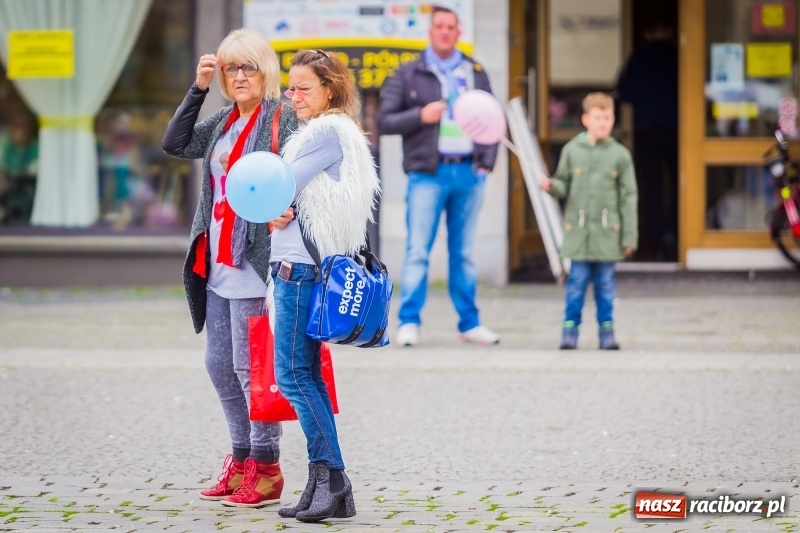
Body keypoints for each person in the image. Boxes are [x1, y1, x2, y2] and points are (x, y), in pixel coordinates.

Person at [161, 28, 299, 508]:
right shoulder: (223, 120)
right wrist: (197, 89)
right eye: (229, 69)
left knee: (251, 368)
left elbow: (305, 177)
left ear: (265, 71)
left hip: (256, 259)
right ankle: (241, 459)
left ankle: (267, 468)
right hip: (217, 256)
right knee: (219, 365)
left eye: (248, 67)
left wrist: (292, 209)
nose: (239, 77)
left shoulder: (282, 117)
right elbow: (176, 143)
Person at [270, 49, 379, 523]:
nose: (292, 96)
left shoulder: (326, 132)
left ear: (330, 89)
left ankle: (332, 478)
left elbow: (278, 182)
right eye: (289, 87)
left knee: (294, 376)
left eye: (302, 88)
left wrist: (276, 201)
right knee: (306, 376)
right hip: (304, 267)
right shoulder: (337, 132)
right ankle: (326, 484)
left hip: (300, 270)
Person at [378, 5, 500, 347]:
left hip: (468, 171)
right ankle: (408, 322)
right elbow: (385, 121)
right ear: (430, 32)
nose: (445, 32)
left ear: (458, 32)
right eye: (439, 27)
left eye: (451, 27)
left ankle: (470, 324)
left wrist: (486, 161)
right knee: (417, 250)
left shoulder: (475, 71)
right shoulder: (408, 73)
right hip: (427, 174)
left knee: (463, 252)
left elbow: (493, 120)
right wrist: (421, 115)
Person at [540, 92, 638, 350]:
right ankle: (569, 330)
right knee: (576, 286)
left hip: (607, 235)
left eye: (607, 118)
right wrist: (551, 186)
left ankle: (607, 331)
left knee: (606, 286)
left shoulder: (620, 155)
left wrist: (629, 236)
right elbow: (563, 184)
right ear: (585, 120)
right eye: (597, 118)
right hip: (579, 233)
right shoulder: (572, 150)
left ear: (613, 119)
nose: (603, 123)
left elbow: (629, 196)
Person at [616, 17, 678, 261]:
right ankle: (674, 231)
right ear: (671, 31)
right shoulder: (679, 56)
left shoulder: (638, 59)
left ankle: (656, 240)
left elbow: (625, 96)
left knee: (651, 189)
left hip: (647, 131)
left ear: (647, 33)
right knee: (679, 186)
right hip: (677, 130)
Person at [0, 116, 39, 225]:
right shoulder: (6, 143)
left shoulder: (34, 146)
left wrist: (19, 171)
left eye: (25, 131)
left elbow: (35, 167)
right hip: (8, 177)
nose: (22, 134)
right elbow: (2, 161)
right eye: (19, 130)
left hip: (27, 180)